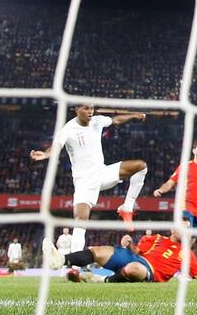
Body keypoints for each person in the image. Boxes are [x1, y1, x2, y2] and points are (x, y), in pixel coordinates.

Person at [30, 104, 148, 255]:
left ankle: (127, 207)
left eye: (92, 108)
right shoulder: (68, 129)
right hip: (84, 182)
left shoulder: (97, 121)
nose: (90, 111)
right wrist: (45, 155)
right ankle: (74, 266)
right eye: (86, 109)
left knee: (141, 166)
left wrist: (133, 115)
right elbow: (56, 147)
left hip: (103, 173)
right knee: (81, 221)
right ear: (77, 109)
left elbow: (115, 120)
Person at [42, 222, 197, 284]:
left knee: (133, 269)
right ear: (173, 230)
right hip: (135, 257)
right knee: (96, 251)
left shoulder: (187, 254)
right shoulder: (157, 238)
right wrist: (130, 242)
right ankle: (60, 260)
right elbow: (138, 251)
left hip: (149, 272)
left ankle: (100, 280)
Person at [153, 139, 197, 227]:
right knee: (185, 234)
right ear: (194, 150)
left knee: (192, 240)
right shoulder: (186, 166)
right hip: (185, 207)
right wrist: (160, 190)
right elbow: (171, 182)